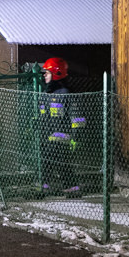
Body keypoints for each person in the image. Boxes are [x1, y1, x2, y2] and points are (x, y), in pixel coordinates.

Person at [38, 57, 82, 197]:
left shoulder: (66, 94)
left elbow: (77, 117)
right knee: (57, 161)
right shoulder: (46, 95)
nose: (44, 75)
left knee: (52, 159)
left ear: (56, 74)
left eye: (47, 72)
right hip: (48, 136)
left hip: (62, 136)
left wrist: (75, 137)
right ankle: (69, 186)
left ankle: (44, 184)